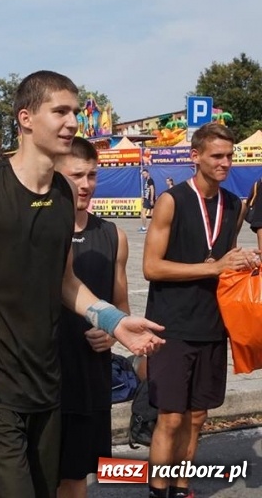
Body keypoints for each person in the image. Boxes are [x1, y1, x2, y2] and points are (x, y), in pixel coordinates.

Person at [0, 70, 165, 498]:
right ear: (26, 118)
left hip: (46, 383)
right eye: (61, 111)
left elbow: (66, 281)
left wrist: (115, 322)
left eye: (75, 111)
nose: (73, 122)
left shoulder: (63, 196)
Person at [143, 122, 260, 498]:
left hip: (212, 325)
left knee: (197, 418)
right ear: (195, 157)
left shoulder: (234, 205)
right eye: (217, 156)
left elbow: (225, 260)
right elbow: (151, 267)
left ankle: (181, 487)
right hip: (171, 325)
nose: (226, 163)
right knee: (171, 417)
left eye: (230, 156)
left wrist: (246, 262)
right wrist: (214, 266)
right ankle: (158, 490)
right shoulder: (171, 201)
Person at [54, 137, 130, 498]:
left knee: (77, 478)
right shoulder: (37, 230)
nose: (85, 185)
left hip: (89, 375)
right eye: (76, 175)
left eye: (92, 175)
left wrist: (113, 335)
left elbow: (122, 306)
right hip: (45, 373)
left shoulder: (113, 235)